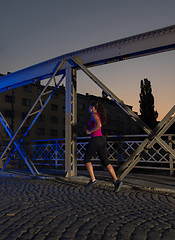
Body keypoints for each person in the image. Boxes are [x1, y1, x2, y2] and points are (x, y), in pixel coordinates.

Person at [84, 102, 123, 192]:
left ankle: (93, 180)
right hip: (101, 139)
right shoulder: (98, 115)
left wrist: (90, 132)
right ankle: (116, 181)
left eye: (89, 107)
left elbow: (99, 125)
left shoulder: (94, 115)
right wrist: (91, 132)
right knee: (105, 162)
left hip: (96, 140)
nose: (88, 108)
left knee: (86, 159)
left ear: (93, 107)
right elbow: (98, 127)